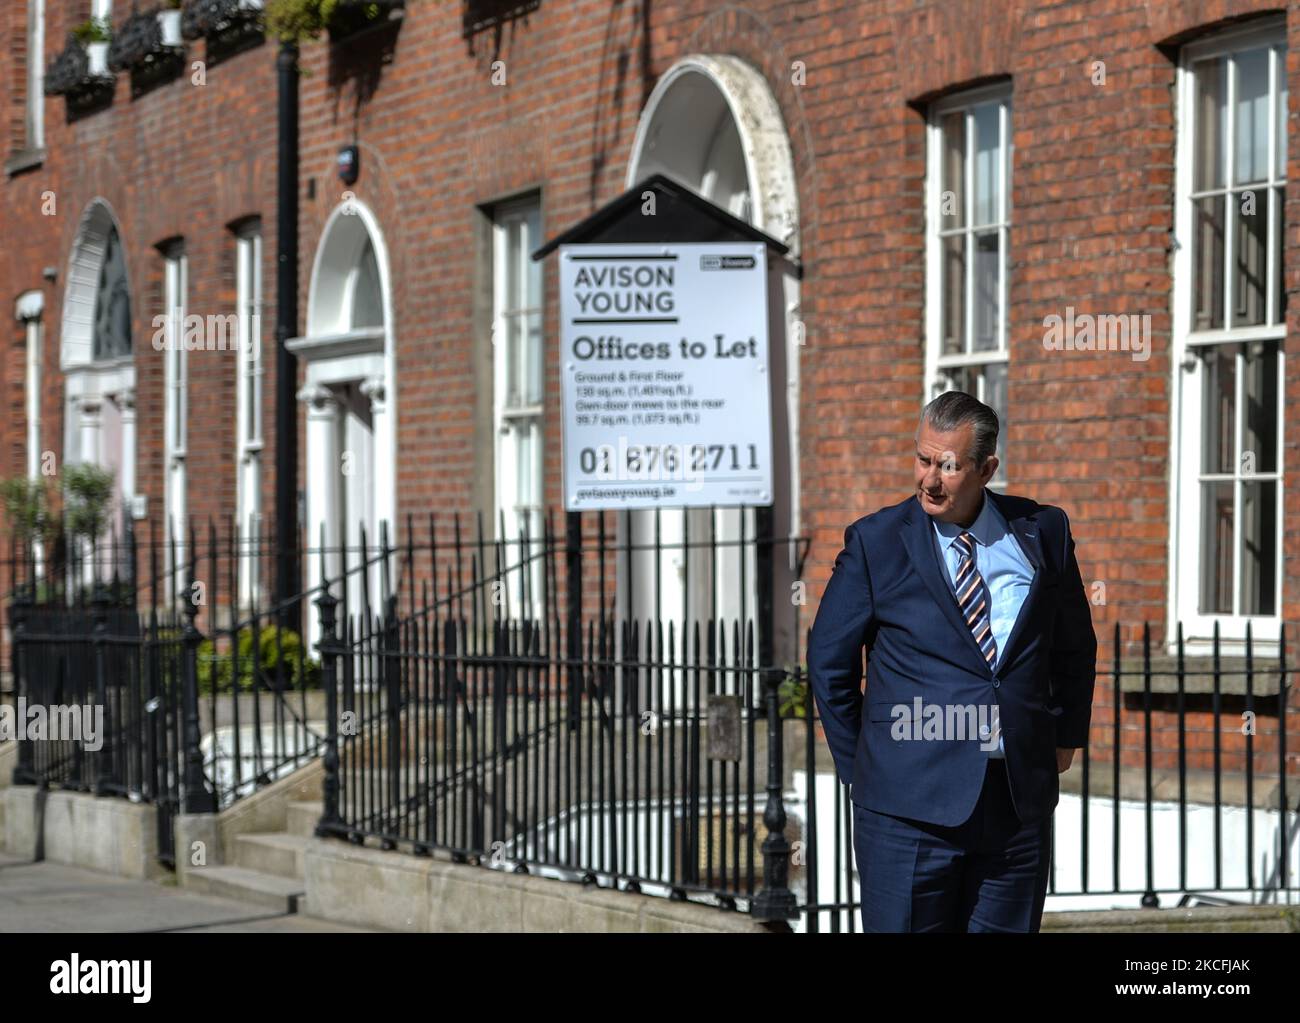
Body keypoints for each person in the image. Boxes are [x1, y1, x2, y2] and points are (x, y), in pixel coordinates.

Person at [807, 390, 1096, 932]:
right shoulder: (877, 542)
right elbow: (828, 663)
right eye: (922, 458)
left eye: (948, 465)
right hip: (907, 812)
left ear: (987, 468)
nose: (929, 480)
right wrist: (865, 767)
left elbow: (1074, 645)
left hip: (1015, 805)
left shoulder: (1043, 531)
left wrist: (1064, 734)